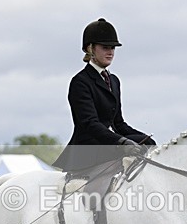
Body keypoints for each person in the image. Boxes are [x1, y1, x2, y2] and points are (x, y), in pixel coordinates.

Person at [52, 18, 156, 175]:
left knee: (148, 143)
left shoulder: (114, 81)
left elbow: (118, 124)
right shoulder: (80, 82)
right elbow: (89, 124)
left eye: (113, 48)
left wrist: (144, 139)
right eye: (105, 47)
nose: (111, 52)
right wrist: (122, 142)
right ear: (90, 49)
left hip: (108, 144)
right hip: (88, 148)